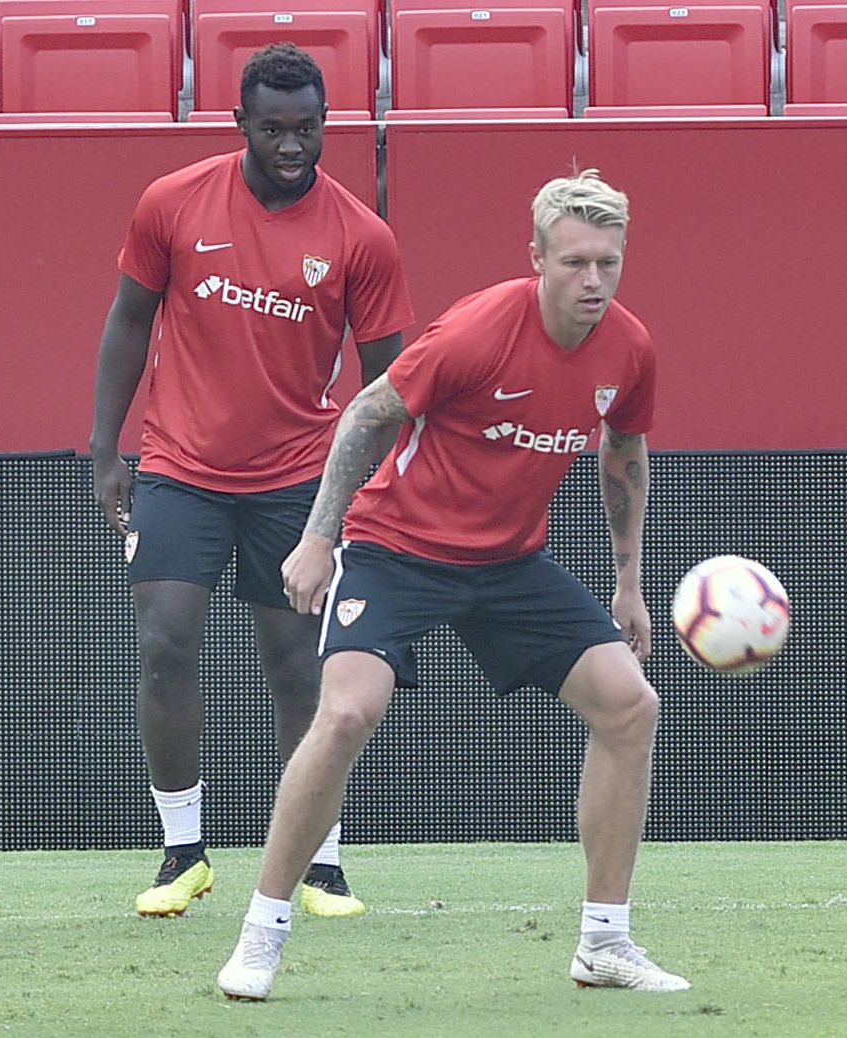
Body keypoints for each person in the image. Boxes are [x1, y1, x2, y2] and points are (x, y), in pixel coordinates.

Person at [216, 168, 690, 1000]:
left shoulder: (631, 346)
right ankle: (262, 931)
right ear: (536, 256)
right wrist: (318, 539)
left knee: (632, 705)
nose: (592, 280)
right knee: (348, 712)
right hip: (396, 548)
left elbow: (623, 455)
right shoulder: (476, 331)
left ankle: (604, 943)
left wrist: (629, 584)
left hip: (509, 563)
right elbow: (366, 414)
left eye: (608, 263)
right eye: (575, 261)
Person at [90, 42, 413, 919]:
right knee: (164, 642)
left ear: (324, 124)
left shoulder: (361, 236)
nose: (292, 146)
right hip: (178, 467)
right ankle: (182, 852)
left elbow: (391, 384)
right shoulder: (172, 201)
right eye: (272, 128)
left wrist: (370, 489)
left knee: (299, 669)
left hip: (298, 481)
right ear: (239, 123)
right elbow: (128, 321)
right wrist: (103, 448)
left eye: (307, 128)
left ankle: (322, 865)